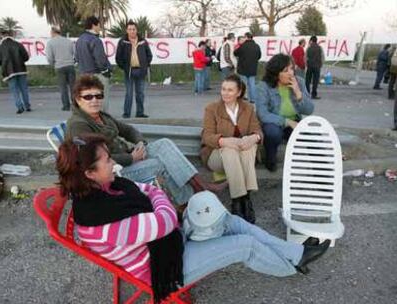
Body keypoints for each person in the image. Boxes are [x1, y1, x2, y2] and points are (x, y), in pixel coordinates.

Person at [57, 134, 331, 302]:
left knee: (231, 222)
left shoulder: (108, 187)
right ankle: (290, 266)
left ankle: (297, 254)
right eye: (106, 160)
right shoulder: (100, 222)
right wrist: (161, 203)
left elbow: (151, 191)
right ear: (90, 174)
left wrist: (159, 202)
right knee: (244, 246)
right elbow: (162, 216)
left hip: (167, 243)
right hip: (161, 267)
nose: (113, 163)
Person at [65, 75, 227, 205]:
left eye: (98, 95)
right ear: (78, 100)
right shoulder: (79, 125)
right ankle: (189, 200)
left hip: (126, 157)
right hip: (112, 172)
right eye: (88, 97)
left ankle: (199, 187)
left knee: (164, 144)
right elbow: (90, 162)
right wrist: (132, 158)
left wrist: (140, 142)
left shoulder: (101, 116)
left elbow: (128, 130)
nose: (94, 100)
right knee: (160, 163)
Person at [201, 74, 263, 223]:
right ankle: (238, 199)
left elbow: (257, 129)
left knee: (249, 147)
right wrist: (223, 141)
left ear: (239, 92)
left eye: (230, 90)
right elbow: (207, 136)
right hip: (216, 156)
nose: (225, 93)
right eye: (223, 89)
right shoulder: (212, 109)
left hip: (242, 153)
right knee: (230, 150)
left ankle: (244, 201)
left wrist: (254, 137)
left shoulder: (248, 108)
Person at [256, 53, 314, 172]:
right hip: (274, 122)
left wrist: (298, 94)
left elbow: (309, 110)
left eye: (292, 69)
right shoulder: (263, 86)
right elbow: (263, 114)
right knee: (272, 132)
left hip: (294, 121)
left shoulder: (300, 82)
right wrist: (286, 121)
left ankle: (322, 172)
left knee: (313, 137)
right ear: (276, 73)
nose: (290, 73)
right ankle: (270, 158)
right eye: (285, 70)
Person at [116, 20, 153, 118]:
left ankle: (140, 113)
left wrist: (145, 65)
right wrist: (124, 68)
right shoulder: (122, 42)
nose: (132, 31)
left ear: (136, 30)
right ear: (126, 30)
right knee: (129, 93)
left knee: (140, 93)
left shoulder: (143, 41)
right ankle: (126, 113)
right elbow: (118, 57)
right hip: (129, 71)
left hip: (141, 71)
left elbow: (149, 55)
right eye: (130, 29)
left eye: (133, 29)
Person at [75, 16, 112, 112]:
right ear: (94, 25)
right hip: (97, 74)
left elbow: (77, 58)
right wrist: (106, 71)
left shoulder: (79, 40)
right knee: (100, 101)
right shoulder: (95, 40)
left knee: (88, 101)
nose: (100, 27)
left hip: (83, 74)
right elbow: (100, 59)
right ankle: (102, 122)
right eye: (99, 25)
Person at [0, 30, 31, 114]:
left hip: (9, 71)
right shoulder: (18, 44)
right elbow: (26, 57)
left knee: (14, 90)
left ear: (2, 36)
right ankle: (27, 106)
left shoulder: (0, 47)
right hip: (21, 69)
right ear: (10, 35)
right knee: (24, 89)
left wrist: (3, 64)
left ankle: (19, 107)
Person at [46, 26, 75, 111]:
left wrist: (52, 64)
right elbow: (74, 53)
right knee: (73, 87)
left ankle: (66, 106)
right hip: (70, 65)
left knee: (63, 88)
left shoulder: (50, 43)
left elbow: (49, 57)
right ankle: (75, 105)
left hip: (59, 66)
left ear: (53, 32)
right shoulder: (68, 41)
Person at [234, 32, 262, 103]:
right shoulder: (256, 46)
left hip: (243, 68)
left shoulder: (243, 46)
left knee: (244, 84)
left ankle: (244, 97)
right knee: (252, 84)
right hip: (253, 68)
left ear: (246, 37)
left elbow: (235, 53)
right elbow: (259, 56)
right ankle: (253, 99)